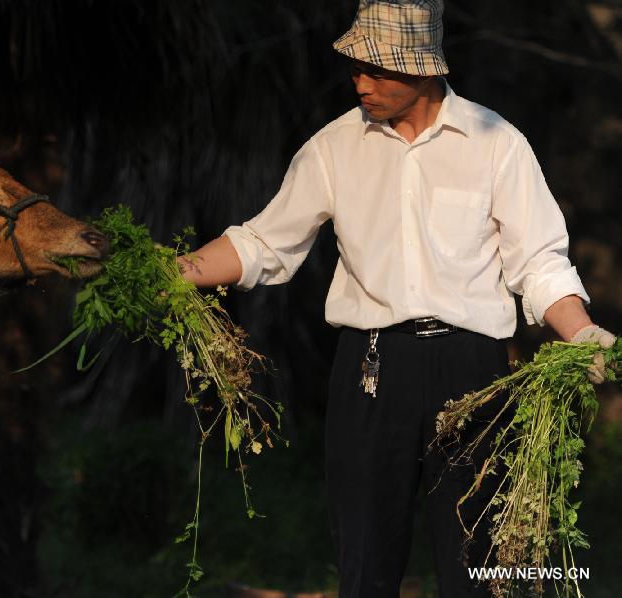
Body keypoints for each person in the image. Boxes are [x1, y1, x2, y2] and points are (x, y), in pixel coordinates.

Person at [177, 1, 615, 596]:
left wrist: (580, 330)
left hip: (473, 372)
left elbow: (538, 260)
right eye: (356, 68)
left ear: (425, 68)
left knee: (480, 562)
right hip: (370, 368)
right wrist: (170, 274)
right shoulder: (334, 148)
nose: (361, 83)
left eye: (377, 70)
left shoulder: (496, 143)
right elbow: (262, 243)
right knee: (365, 560)